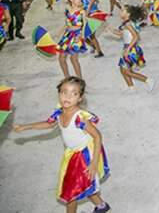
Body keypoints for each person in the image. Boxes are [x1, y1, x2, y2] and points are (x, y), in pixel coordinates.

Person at [13, 77, 111, 213]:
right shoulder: (59, 113)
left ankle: (100, 207)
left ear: (80, 98)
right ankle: (102, 207)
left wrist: (94, 162)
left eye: (74, 93)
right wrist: (26, 127)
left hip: (84, 156)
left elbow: (97, 136)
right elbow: (49, 124)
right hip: (72, 154)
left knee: (71, 193)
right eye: (64, 92)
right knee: (83, 184)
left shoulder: (79, 118)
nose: (68, 96)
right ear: (59, 93)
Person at [107, 5, 155, 93]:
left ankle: (148, 80)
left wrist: (128, 49)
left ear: (128, 14)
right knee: (122, 69)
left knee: (127, 71)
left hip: (131, 49)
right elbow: (123, 35)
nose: (120, 12)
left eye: (123, 11)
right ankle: (131, 87)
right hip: (128, 48)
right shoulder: (127, 23)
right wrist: (111, 31)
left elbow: (136, 37)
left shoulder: (128, 24)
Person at [56, 0, 87, 78]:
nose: (79, 0)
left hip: (77, 35)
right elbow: (66, 24)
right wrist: (59, 32)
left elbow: (84, 26)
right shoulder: (67, 10)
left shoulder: (82, 12)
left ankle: (80, 80)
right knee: (61, 58)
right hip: (67, 35)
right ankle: (67, 77)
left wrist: (81, 37)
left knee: (74, 59)